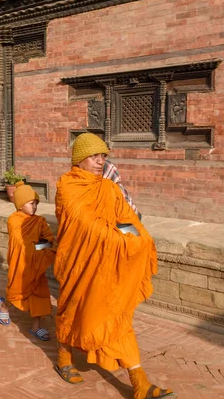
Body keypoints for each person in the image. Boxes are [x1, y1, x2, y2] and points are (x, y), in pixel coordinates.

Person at [53, 133, 174, 399]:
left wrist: (141, 239)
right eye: (95, 157)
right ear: (80, 159)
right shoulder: (67, 186)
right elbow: (83, 223)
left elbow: (128, 219)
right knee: (72, 309)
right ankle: (64, 357)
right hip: (79, 262)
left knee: (117, 317)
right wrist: (119, 239)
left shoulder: (108, 188)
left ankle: (140, 382)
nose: (100, 162)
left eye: (103, 157)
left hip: (108, 264)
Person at [0, 181, 56, 342]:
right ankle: (4, 305)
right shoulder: (14, 220)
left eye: (36, 203)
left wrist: (41, 247)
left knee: (41, 295)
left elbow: (49, 240)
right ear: (20, 204)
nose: (34, 206)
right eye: (30, 203)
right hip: (21, 264)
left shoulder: (40, 221)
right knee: (17, 291)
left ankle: (37, 326)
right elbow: (18, 242)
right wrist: (38, 247)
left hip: (37, 266)